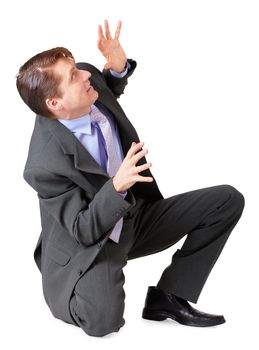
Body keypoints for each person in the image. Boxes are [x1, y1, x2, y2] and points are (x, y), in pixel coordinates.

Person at [17, 20, 245, 337]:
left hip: (135, 217)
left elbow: (108, 89)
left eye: (77, 68)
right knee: (102, 323)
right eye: (73, 77)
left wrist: (118, 68)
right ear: (55, 104)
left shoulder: (88, 81)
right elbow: (83, 229)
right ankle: (72, 289)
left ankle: (167, 297)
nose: (84, 74)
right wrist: (116, 186)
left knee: (226, 200)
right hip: (94, 241)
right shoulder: (44, 164)